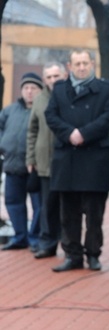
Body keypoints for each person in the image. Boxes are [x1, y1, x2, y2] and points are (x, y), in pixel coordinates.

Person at [45, 49, 109, 272]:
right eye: (77, 64)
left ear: (92, 64)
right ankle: (72, 255)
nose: (82, 67)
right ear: (69, 66)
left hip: (94, 158)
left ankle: (93, 254)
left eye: (85, 63)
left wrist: (84, 134)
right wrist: (70, 134)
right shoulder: (59, 90)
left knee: (94, 213)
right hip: (67, 157)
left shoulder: (107, 89)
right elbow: (51, 115)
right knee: (68, 212)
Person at [26, 62, 67, 259]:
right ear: (44, 80)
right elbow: (32, 130)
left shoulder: (70, 96)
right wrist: (30, 157)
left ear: (64, 76)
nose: (52, 80)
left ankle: (70, 246)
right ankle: (47, 243)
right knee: (46, 205)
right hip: (43, 161)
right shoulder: (39, 99)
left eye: (56, 76)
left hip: (67, 161)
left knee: (68, 207)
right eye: (49, 77)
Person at [0, 72, 43, 251]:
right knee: (13, 202)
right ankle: (20, 237)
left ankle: (35, 238)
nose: (29, 91)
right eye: (26, 88)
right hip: (12, 164)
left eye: (33, 88)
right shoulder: (10, 111)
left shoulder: (44, 110)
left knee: (38, 205)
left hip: (35, 167)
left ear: (40, 90)